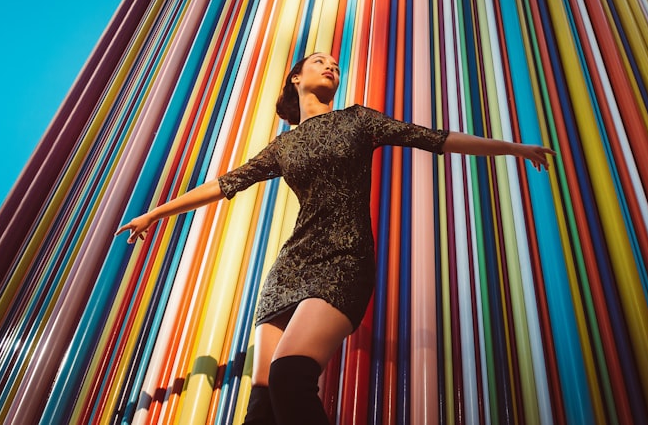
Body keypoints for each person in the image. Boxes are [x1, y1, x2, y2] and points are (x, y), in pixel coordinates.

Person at [116, 52, 553, 424]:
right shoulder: (282, 147)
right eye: (320, 61)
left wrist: (514, 148)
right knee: (263, 405)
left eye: (335, 64)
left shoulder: (358, 120)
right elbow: (224, 184)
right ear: (296, 78)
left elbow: (435, 138)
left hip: (344, 259)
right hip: (289, 271)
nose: (331, 66)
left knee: (290, 375)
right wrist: (156, 212)